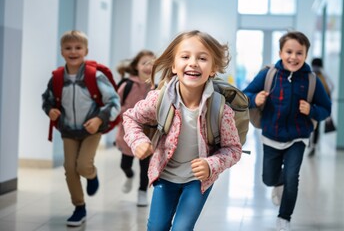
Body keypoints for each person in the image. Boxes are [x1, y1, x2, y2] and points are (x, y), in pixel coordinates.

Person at [122, 30, 242, 230]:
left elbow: (234, 149)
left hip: (198, 181)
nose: (193, 63)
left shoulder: (221, 110)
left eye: (202, 58)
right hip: (165, 175)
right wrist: (138, 141)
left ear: (213, 69)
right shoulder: (159, 99)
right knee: (156, 228)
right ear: (174, 65)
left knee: (182, 229)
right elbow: (131, 117)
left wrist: (211, 164)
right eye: (185, 57)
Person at [243, 31, 331, 231]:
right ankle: (277, 182)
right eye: (289, 51)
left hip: (298, 138)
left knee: (293, 177)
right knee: (269, 179)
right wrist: (254, 99)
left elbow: (326, 109)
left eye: (299, 53)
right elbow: (244, 95)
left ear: (306, 54)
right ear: (280, 52)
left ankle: (284, 218)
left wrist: (312, 110)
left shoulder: (311, 80)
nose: (293, 57)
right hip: (271, 136)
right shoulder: (269, 74)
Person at [42, 30, 120, 227]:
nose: (73, 51)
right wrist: (50, 110)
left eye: (78, 48)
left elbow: (113, 101)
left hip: (91, 129)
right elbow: (47, 99)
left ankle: (92, 176)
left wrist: (99, 119)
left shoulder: (96, 75)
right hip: (68, 130)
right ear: (61, 51)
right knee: (70, 168)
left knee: (83, 165)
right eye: (68, 48)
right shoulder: (57, 77)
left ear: (86, 50)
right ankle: (79, 207)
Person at [115, 50, 156, 207]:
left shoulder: (157, 88)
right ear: (136, 66)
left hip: (147, 136)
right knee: (125, 164)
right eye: (144, 63)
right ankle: (129, 175)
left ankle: (142, 192)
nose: (148, 66)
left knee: (145, 166)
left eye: (151, 63)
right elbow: (115, 104)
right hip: (126, 135)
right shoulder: (127, 85)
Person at [308, 57, 333, 157]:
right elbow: (332, 87)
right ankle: (312, 145)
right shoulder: (318, 76)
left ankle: (312, 145)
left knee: (314, 127)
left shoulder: (315, 76)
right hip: (316, 107)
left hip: (314, 107)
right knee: (315, 127)